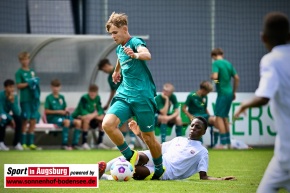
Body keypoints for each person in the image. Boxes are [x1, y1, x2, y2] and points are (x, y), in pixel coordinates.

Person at [103, 12, 165, 179]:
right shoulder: (119, 47)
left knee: (148, 138)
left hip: (143, 97)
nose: (113, 36)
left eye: (115, 32)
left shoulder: (135, 42)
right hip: (124, 94)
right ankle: (131, 156)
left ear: (125, 29)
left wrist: (135, 54)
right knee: (107, 124)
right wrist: (116, 72)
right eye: (111, 33)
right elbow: (120, 57)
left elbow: (147, 54)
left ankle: (159, 168)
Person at [234, 12, 290, 193]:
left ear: (263, 37)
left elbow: (264, 97)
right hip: (282, 154)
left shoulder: (271, 60)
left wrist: (244, 105)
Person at [98, 117, 236, 181]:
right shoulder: (179, 140)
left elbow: (203, 177)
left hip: (166, 172)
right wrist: (139, 134)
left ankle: (106, 177)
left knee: (134, 171)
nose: (193, 128)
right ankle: (96, 172)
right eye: (192, 125)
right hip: (160, 159)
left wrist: (220, 179)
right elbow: (155, 148)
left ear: (204, 132)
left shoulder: (202, 152)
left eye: (198, 127)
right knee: (132, 156)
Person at [98, 58, 136, 149]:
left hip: (130, 97)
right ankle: (123, 144)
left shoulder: (121, 70)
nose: (104, 72)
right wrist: (108, 103)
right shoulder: (109, 78)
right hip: (121, 99)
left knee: (130, 119)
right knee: (121, 119)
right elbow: (113, 91)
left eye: (103, 70)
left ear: (106, 66)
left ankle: (132, 142)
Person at [211, 48, 239, 149]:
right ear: (222, 54)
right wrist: (234, 91)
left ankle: (222, 144)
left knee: (218, 117)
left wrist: (217, 83)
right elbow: (236, 78)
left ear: (213, 56)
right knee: (224, 117)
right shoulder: (229, 64)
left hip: (222, 93)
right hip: (230, 92)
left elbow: (215, 77)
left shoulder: (216, 63)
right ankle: (228, 142)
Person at [44, 79, 82, 150]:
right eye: (54, 87)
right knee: (66, 122)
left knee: (78, 122)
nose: (56, 89)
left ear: (60, 87)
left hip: (63, 117)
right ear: (51, 87)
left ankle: (75, 144)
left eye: (57, 87)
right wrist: (58, 112)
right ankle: (64, 144)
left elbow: (64, 108)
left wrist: (65, 111)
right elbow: (46, 111)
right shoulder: (48, 98)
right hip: (53, 118)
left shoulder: (62, 97)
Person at [15, 52, 41, 150]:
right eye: (23, 60)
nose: (25, 61)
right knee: (25, 119)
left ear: (29, 60)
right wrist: (28, 83)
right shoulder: (19, 72)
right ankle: (23, 143)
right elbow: (18, 85)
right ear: (20, 61)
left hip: (33, 99)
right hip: (25, 99)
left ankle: (31, 143)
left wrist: (35, 84)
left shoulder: (32, 72)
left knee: (33, 120)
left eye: (26, 59)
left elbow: (35, 83)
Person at [72, 84, 108, 150]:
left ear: (97, 92)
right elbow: (82, 111)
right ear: (88, 91)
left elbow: (100, 110)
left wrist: (95, 115)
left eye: (94, 92)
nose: (92, 94)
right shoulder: (84, 98)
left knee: (103, 119)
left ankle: (100, 143)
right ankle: (84, 143)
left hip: (93, 117)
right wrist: (94, 115)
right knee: (86, 118)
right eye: (91, 92)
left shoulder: (98, 98)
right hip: (79, 117)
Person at [182, 81, 218, 145]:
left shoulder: (205, 97)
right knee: (198, 122)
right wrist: (190, 116)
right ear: (203, 90)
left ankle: (215, 144)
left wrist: (210, 116)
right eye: (207, 92)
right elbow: (183, 108)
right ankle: (199, 144)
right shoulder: (191, 95)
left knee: (215, 120)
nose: (207, 94)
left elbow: (205, 108)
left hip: (204, 116)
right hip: (195, 116)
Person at [0, 79, 23, 150]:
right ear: (5, 88)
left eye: (13, 87)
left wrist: (12, 102)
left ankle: (17, 143)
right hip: (2, 115)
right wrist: (11, 118)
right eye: (10, 87)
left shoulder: (15, 96)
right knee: (2, 118)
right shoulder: (1, 95)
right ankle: (1, 143)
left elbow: (17, 112)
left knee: (18, 119)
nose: (12, 89)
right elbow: (1, 110)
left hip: (7, 116)